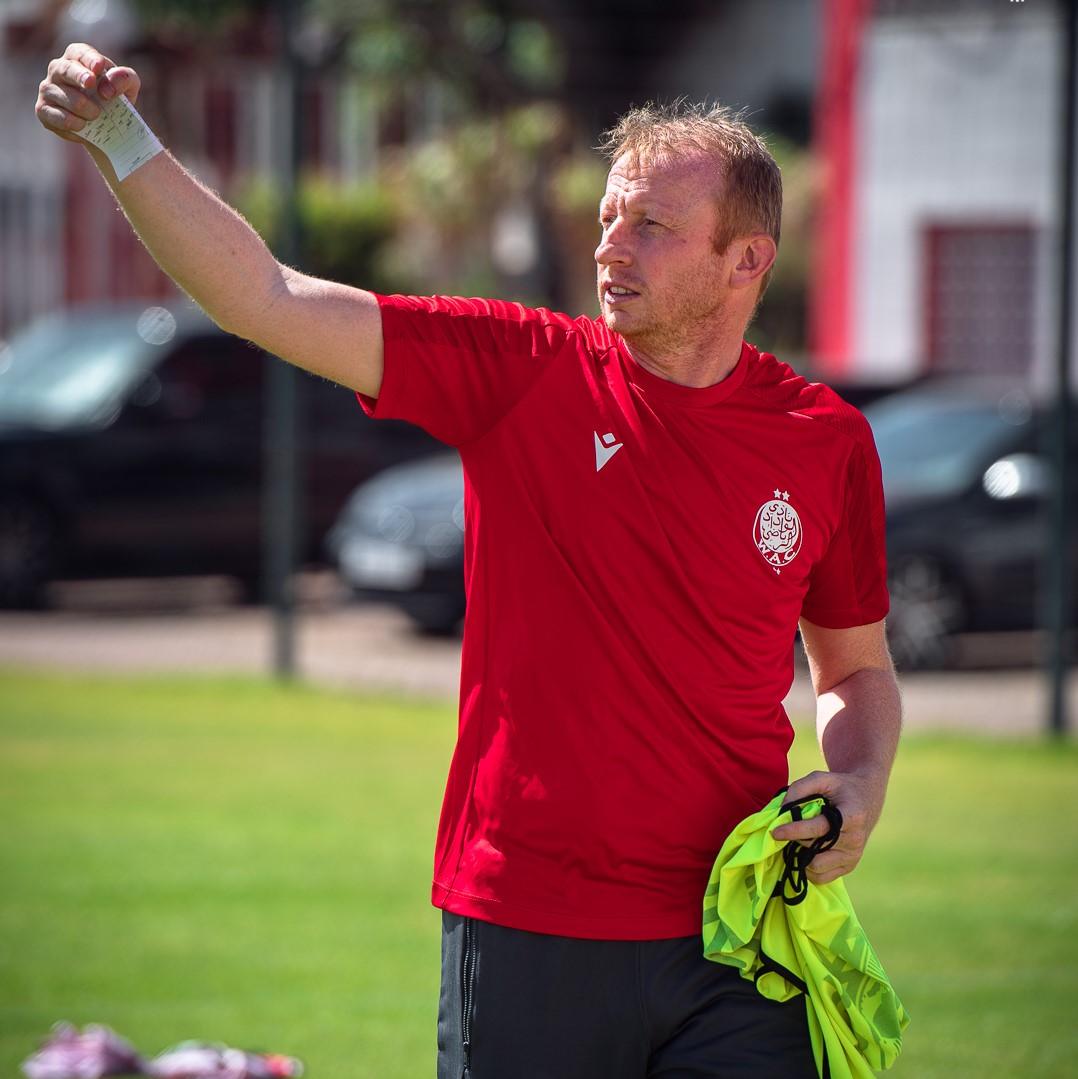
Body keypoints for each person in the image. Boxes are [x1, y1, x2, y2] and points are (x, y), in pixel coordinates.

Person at [36, 44, 902, 1079]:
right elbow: (264, 297)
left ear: (745, 260)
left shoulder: (825, 438)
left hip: (738, 928)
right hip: (528, 919)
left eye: (651, 226)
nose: (610, 248)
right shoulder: (524, 372)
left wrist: (857, 779)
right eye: (607, 221)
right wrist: (117, 137)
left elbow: (853, 668)